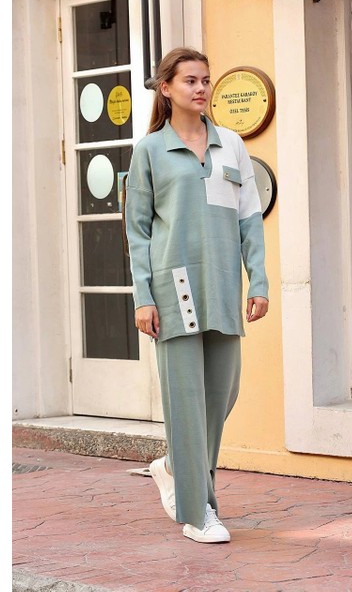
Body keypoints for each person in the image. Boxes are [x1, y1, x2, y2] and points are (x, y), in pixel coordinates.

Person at [125, 47, 269, 544]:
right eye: (190, 80)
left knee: (221, 395)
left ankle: (172, 466)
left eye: (206, 79)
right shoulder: (150, 151)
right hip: (173, 289)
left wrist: (259, 280)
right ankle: (198, 510)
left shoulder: (232, 145)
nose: (202, 88)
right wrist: (143, 296)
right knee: (186, 403)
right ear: (166, 88)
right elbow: (137, 230)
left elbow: (250, 218)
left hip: (223, 285)